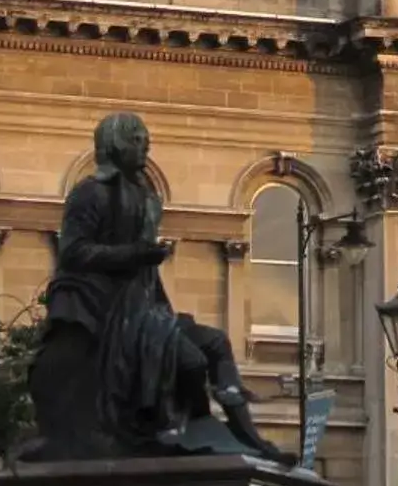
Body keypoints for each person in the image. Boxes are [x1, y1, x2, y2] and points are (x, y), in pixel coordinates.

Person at [27, 111, 287, 462]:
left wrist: (155, 291)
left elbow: (146, 271)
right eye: (137, 139)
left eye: (145, 140)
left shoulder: (146, 197)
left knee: (216, 341)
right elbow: (73, 252)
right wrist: (135, 254)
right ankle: (169, 427)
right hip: (110, 310)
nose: (145, 146)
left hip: (145, 307)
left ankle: (252, 440)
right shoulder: (90, 193)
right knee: (191, 362)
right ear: (115, 145)